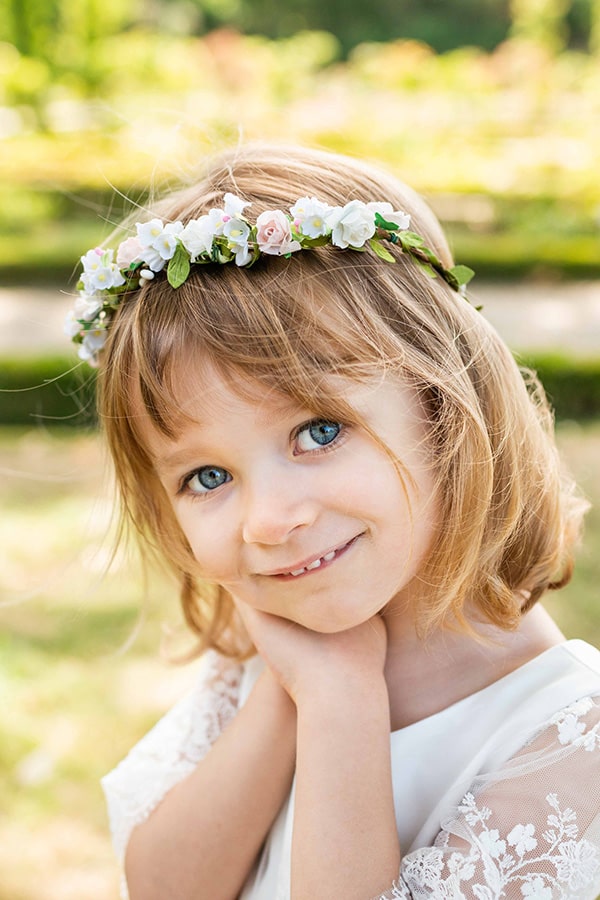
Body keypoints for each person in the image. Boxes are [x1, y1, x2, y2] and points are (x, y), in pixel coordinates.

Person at [66, 144, 600, 899]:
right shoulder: (274, 659)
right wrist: (307, 689)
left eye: (318, 432)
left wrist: (344, 707)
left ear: (444, 405)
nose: (270, 521)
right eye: (208, 477)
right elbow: (166, 886)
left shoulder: (572, 751)